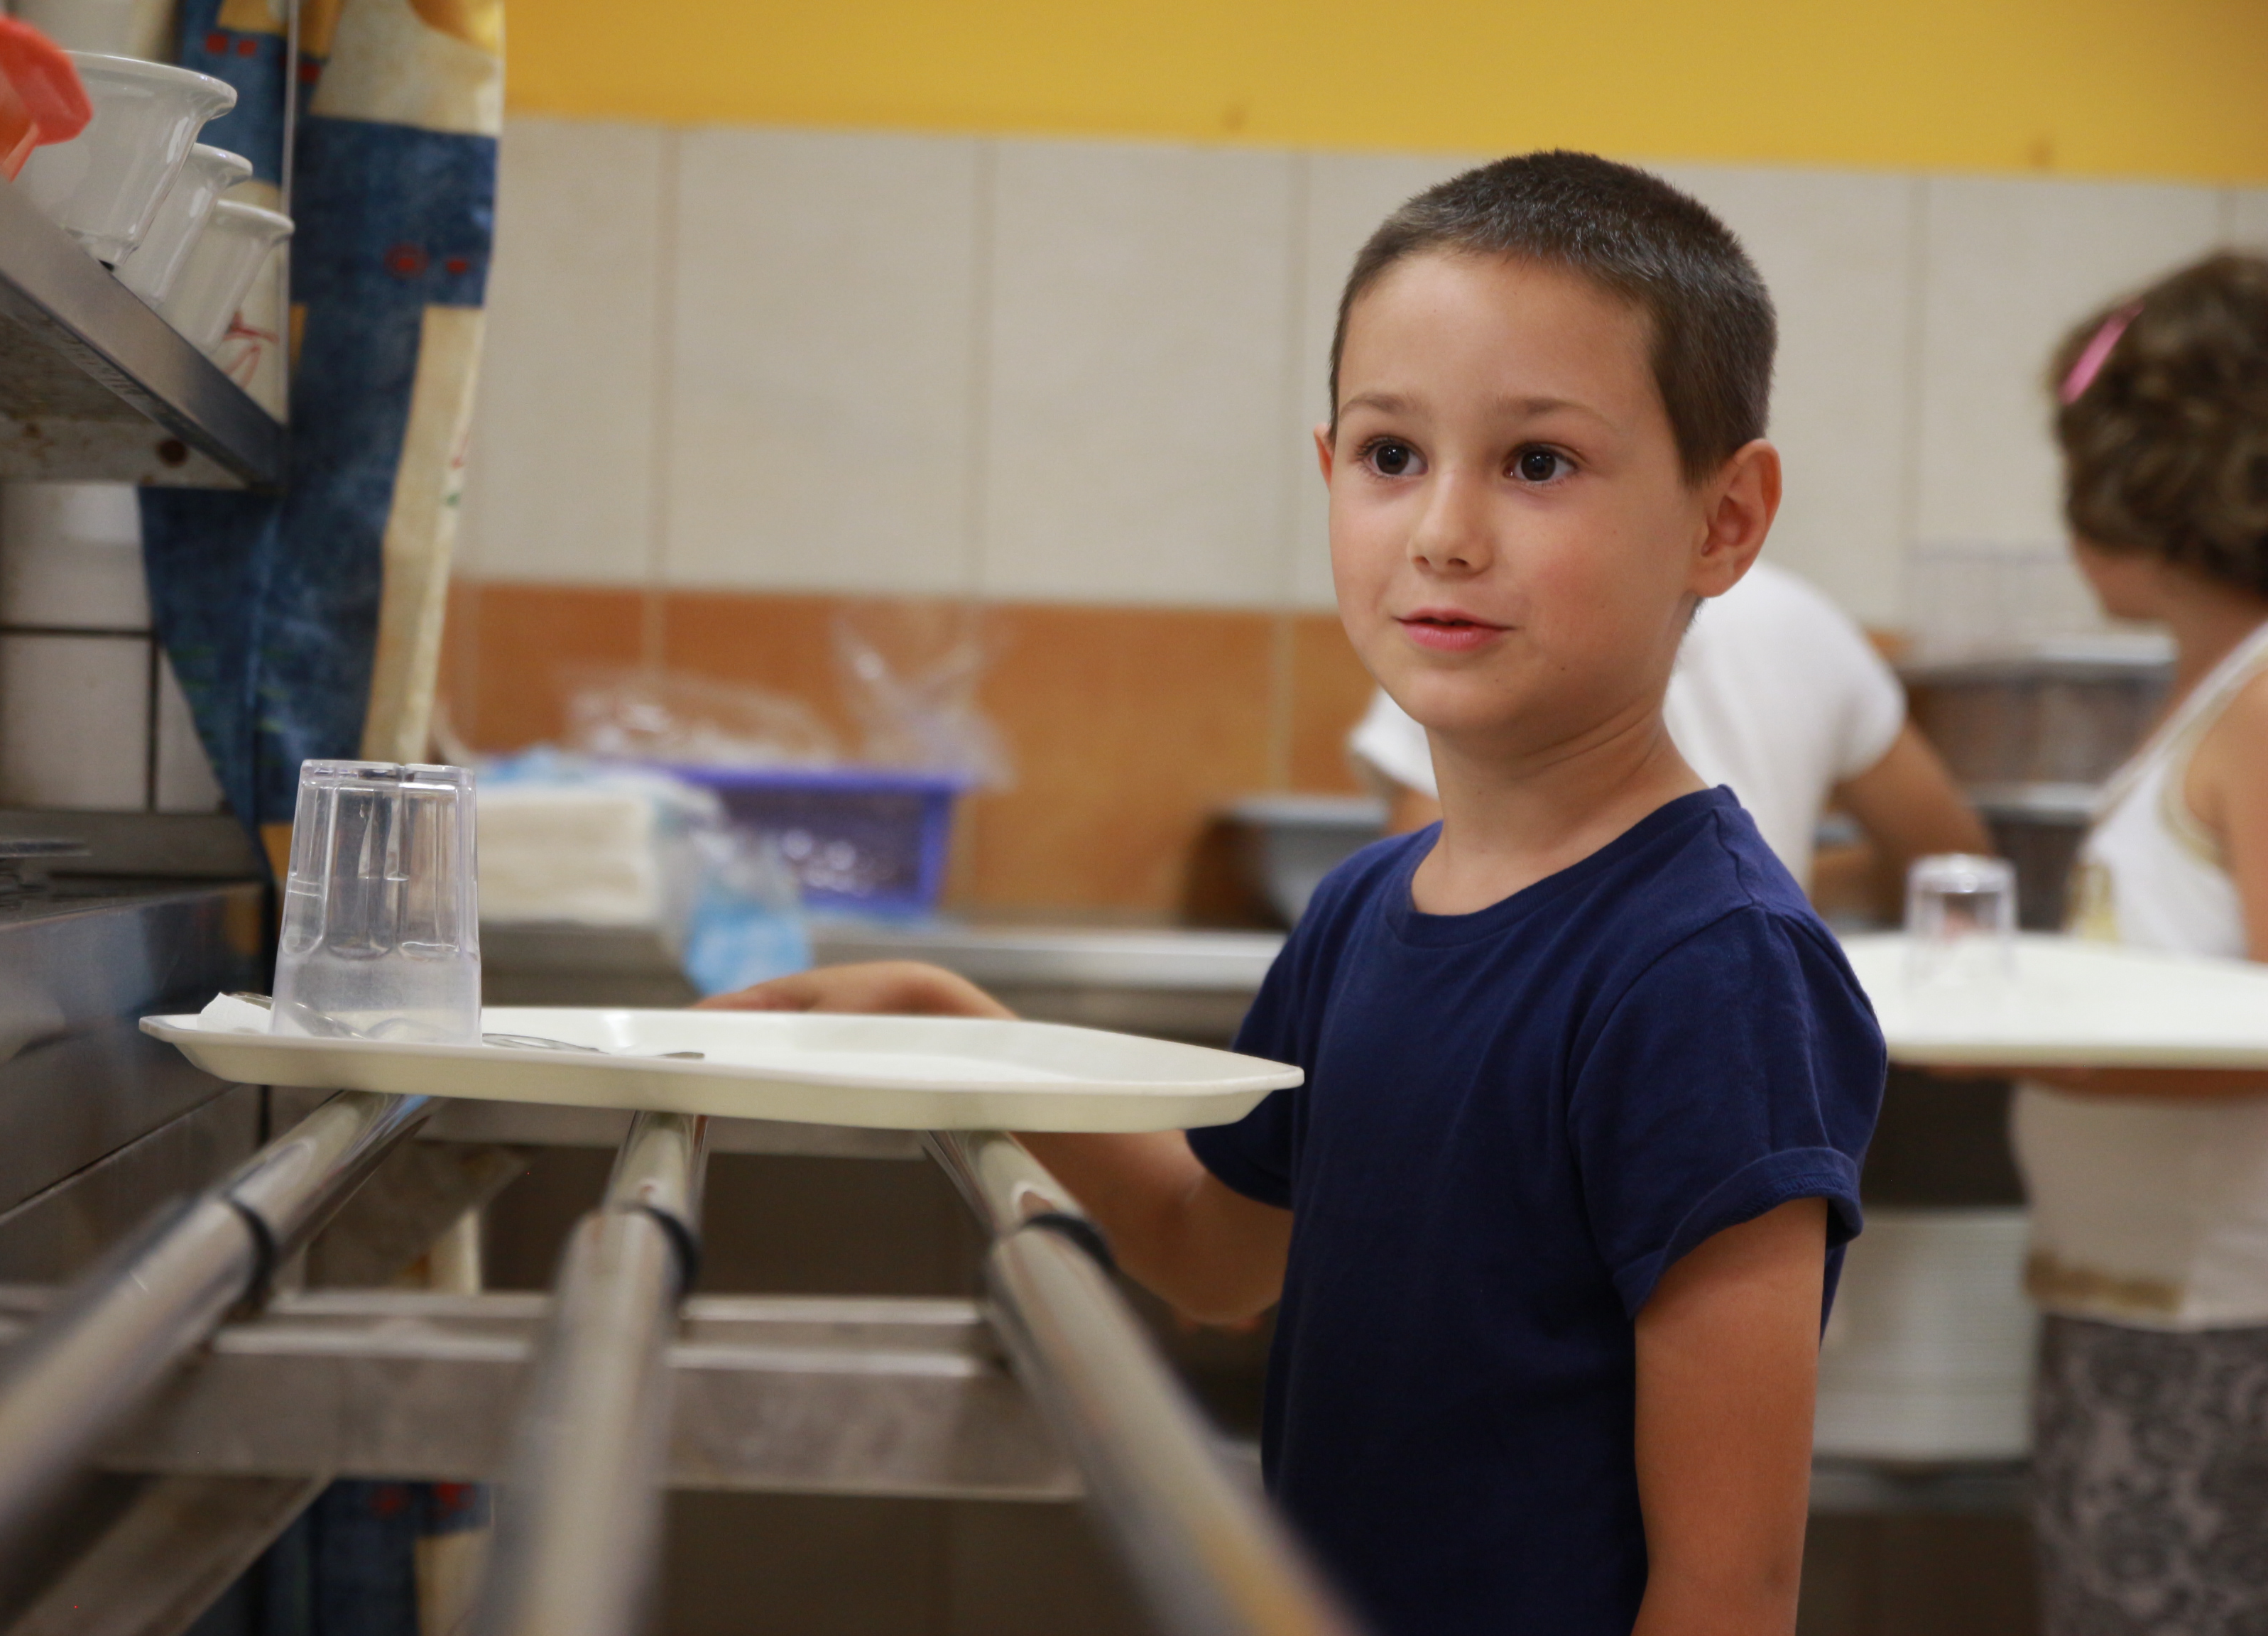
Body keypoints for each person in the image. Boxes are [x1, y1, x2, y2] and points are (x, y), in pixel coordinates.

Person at [707, 153, 1885, 1636]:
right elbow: (1217, 1256)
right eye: (1392, 454)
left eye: (1537, 463)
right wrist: (948, 1025)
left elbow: (1728, 1588)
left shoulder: (1712, 971)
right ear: (1328, 470)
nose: (1444, 530)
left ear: (1724, 520)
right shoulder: (1363, 912)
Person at [1986, 254, 2268, 1635]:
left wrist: (2044, 1055)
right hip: (2145, 1303)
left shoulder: (2262, 707)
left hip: (2222, 1318)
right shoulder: (2212, 695)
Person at [1347, 558, 1990, 898]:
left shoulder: (1464, 630)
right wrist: (1781, 886)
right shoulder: (1802, 623)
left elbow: (1433, 900)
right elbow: (1954, 866)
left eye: (1540, 466)